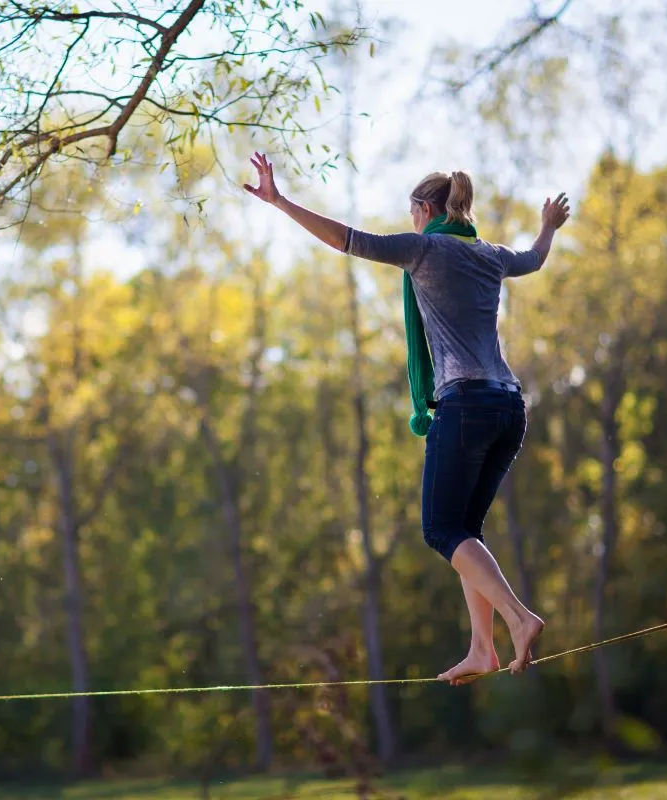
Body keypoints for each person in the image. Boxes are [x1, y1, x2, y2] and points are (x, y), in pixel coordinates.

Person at [243, 151, 571, 683]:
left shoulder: (422, 249)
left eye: (412, 212)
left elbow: (345, 238)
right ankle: (481, 649)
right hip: (509, 407)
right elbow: (534, 259)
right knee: (467, 531)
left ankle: (518, 617)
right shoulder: (488, 254)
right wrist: (547, 228)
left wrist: (280, 201)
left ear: (423, 209)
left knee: (441, 529)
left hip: (464, 405)